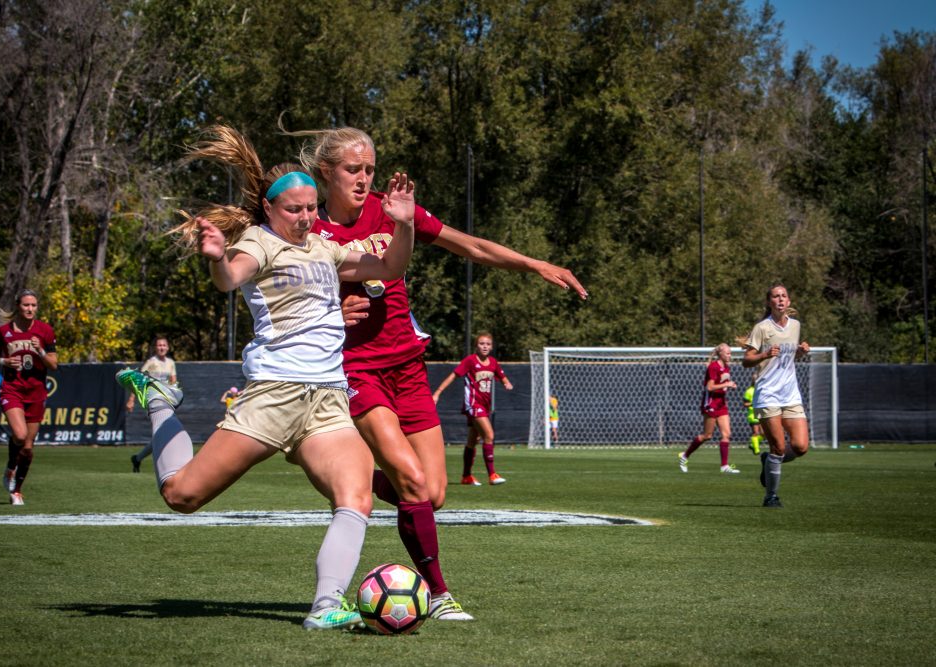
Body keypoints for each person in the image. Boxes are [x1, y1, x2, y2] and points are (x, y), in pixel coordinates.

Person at [115, 125, 417, 630]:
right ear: (272, 209)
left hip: (327, 401)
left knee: (356, 495)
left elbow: (389, 264)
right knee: (181, 496)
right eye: (294, 209)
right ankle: (160, 399)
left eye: (311, 207)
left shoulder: (325, 247)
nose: (306, 217)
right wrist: (215, 258)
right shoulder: (258, 242)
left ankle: (326, 606)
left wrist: (403, 224)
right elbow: (231, 277)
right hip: (273, 397)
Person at [292, 125, 587, 621]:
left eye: (369, 169)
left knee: (433, 493)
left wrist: (535, 264)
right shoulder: (309, 229)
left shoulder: (391, 208)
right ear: (326, 173)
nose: (364, 179)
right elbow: (277, 294)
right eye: (352, 170)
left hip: (408, 367)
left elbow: (470, 246)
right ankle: (439, 593)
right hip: (355, 369)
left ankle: (355, 478)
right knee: (410, 480)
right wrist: (327, 312)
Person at [742, 282, 811, 508]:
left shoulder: (795, 326)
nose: (780, 299)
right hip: (768, 394)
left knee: (800, 447)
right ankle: (771, 496)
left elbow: (791, 359)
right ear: (768, 302)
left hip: (790, 394)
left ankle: (767, 461)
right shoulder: (762, 328)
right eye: (775, 296)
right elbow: (746, 360)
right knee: (779, 448)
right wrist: (763, 354)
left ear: (788, 301)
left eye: (783, 296)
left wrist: (800, 352)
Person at [0, 289, 59, 506]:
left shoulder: (44, 331)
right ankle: (10, 467)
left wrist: (41, 351)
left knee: (28, 448)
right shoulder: (4, 332)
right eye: (26, 305)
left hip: (36, 392)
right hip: (12, 389)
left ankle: (16, 490)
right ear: (18, 306)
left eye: (34, 305)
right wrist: (4, 362)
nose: (30, 309)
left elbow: (54, 365)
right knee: (19, 435)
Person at [432, 332, 514, 486]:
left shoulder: (493, 362)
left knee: (472, 440)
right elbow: (453, 376)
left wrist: (506, 383)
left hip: (485, 407)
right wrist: (437, 393)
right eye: (482, 343)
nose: (485, 346)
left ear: (492, 346)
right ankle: (492, 475)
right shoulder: (470, 361)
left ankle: (466, 476)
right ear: (476, 346)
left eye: (488, 344)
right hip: (473, 405)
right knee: (489, 435)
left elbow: (502, 376)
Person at [678, 343, 739, 474]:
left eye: (730, 353)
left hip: (721, 404)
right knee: (707, 435)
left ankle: (724, 466)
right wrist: (727, 383)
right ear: (720, 354)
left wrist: (729, 385)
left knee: (726, 434)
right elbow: (710, 387)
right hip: (710, 404)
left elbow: (722, 384)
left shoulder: (726, 367)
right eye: (727, 353)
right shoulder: (713, 367)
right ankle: (685, 456)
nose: (730, 355)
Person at [128, 336, 178, 473]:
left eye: (164, 345)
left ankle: (138, 458)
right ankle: (165, 468)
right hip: (152, 401)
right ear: (156, 348)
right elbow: (138, 380)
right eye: (159, 345)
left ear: (167, 348)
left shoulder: (170, 363)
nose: (162, 347)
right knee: (161, 435)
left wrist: (174, 398)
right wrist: (131, 399)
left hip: (165, 402)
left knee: (160, 436)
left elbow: (174, 383)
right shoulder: (151, 362)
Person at [741, 375, 763, 455]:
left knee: (764, 433)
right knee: (756, 432)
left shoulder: (761, 389)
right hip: (752, 413)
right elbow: (745, 403)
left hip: (760, 412)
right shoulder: (749, 391)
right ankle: (756, 450)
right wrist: (752, 403)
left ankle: (752, 443)